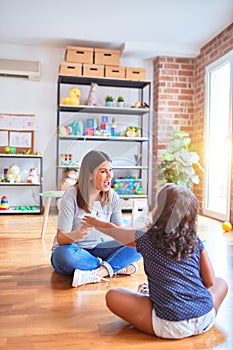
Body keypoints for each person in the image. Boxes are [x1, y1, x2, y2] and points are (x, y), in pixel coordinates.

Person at [82, 183, 228, 339]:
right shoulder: (195, 241)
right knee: (222, 283)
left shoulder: (146, 238)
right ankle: (157, 296)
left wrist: (95, 223)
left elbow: (114, 231)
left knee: (113, 296)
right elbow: (211, 282)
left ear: (161, 213)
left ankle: (150, 295)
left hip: (170, 325)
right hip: (205, 317)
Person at [51, 150, 142, 288]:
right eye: (103, 171)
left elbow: (122, 234)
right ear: (89, 175)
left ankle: (100, 272)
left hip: (98, 248)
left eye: (110, 170)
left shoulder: (112, 196)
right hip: (73, 250)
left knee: (142, 242)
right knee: (64, 256)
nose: (110, 175)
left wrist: (105, 225)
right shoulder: (71, 195)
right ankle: (114, 265)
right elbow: (61, 239)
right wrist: (77, 234)